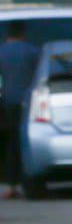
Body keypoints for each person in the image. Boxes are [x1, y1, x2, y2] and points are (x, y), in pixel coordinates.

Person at [0, 21, 40, 198]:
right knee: (26, 142)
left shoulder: (2, 52)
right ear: (23, 33)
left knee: (10, 143)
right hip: (30, 103)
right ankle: (29, 182)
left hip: (7, 103)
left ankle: (10, 185)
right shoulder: (32, 52)